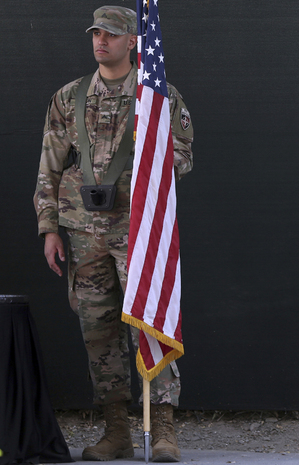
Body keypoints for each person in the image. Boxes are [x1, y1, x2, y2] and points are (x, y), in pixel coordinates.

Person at [33, 6, 193, 462]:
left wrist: (153, 166)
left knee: (151, 322)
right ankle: (117, 430)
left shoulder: (155, 96)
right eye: (96, 34)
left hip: (138, 230)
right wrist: (49, 228)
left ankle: (161, 428)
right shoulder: (69, 97)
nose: (101, 41)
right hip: (82, 232)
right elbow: (49, 166)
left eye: (112, 34)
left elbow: (183, 154)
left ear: (133, 42)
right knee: (97, 333)